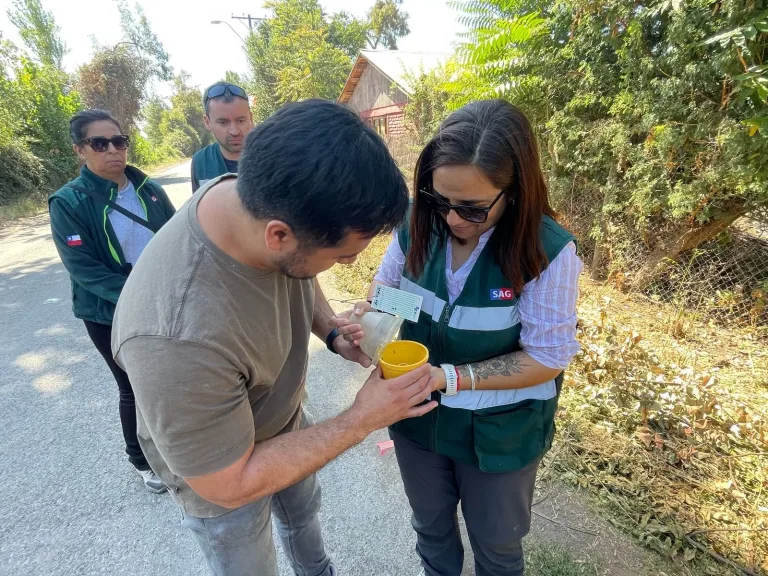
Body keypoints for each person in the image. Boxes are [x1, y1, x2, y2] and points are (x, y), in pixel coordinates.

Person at [111, 99, 439, 576]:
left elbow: (301, 271)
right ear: (279, 236)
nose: (347, 264)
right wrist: (362, 418)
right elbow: (228, 483)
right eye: (342, 256)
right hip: (224, 470)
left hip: (283, 417)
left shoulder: (248, 199)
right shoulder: (177, 337)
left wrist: (332, 331)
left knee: (302, 514)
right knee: (249, 561)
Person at [335, 99, 583, 576]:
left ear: (515, 190)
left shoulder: (546, 252)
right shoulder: (416, 223)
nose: (451, 219)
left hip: (500, 433)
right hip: (417, 419)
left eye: (472, 208)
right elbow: (392, 294)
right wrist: (372, 318)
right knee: (431, 530)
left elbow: (547, 357)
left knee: (497, 545)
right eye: (439, 199)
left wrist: (447, 377)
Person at [48, 109, 176, 494]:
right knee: (132, 385)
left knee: (172, 375)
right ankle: (141, 460)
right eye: (99, 143)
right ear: (80, 149)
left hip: (164, 303)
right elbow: (84, 269)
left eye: (119, 141)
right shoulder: (68, 202)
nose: (113, 150)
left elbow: (179, 238)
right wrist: (140, 297)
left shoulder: (149, 190)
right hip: (108, 312)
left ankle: (176, 445)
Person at [190, 82, 254, 192]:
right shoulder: (200, 162)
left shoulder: (272, 155)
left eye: (240, 121)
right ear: (207, 122)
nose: (234, 131)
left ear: (251, 118)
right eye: (223, 122)